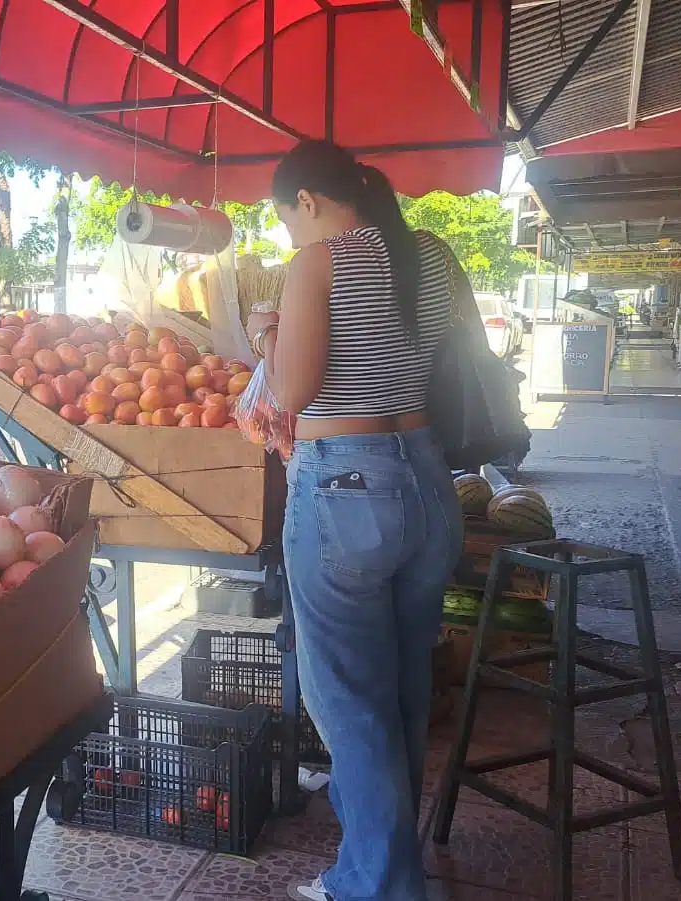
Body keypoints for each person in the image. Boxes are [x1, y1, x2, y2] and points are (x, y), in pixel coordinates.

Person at [244, 140, 468, 901]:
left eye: (286, 221)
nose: (288, 238)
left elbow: (296, 390)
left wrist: (266, 335)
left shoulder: (319, 262)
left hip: (346, 488)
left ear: (307, 202)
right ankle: (389, 862)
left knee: (347, 698)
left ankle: (376, 884)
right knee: (403, 687)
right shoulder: (433, 253)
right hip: (430, 482)